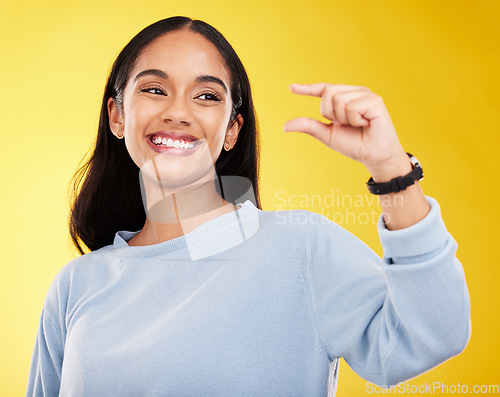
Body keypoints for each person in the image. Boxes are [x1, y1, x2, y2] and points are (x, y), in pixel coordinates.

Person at [26, 16, 470, 396]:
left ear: (232, 129)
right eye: (155, 89)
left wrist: (392, 168)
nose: (178, 112)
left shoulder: (301, 248)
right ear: (117, 116)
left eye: (207, 96)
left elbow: (433, 332)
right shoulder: (76, 286)